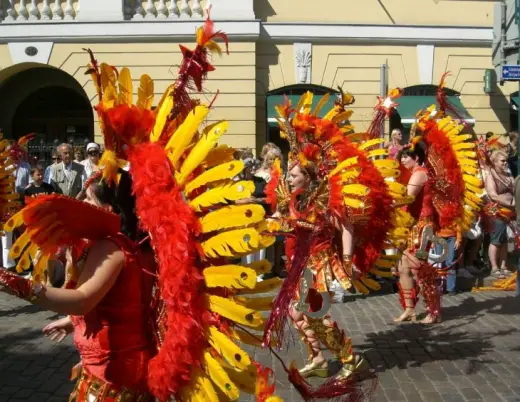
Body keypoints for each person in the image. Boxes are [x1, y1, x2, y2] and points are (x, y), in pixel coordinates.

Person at [0, 18, 283, 402]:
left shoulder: (112, 247)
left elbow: (84, 297)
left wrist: (15, 284)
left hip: (114, 378)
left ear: (109, 203)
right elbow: (120, 302)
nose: (84, 202)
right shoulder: (136, 245)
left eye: (89, 196)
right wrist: (74, 321)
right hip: (124, 368)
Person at [263, 89, 411, 399]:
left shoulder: (325, 199)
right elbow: (283, 221)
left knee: (314, 314)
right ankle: (317, 358)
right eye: (289, 173)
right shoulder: (295, 198)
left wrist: (347, 259)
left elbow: (345, 225)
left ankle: (350, 359)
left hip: (320, 263)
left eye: (294, 173)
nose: (289, 177)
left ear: (308, 175)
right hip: (300, 263)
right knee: (295, 313)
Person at [484, 150, 515, 278]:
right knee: (496, 240)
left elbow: (514, 188)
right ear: (495, 162)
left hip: (510, 213)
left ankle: (503, 266)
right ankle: (494, 267)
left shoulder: (508, 174)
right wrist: (510, 203)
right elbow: (492, 195)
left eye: (506, 161)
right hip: (498, 212)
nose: (505, 163)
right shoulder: (490, 175)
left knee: (505, 241)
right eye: (502, 161)